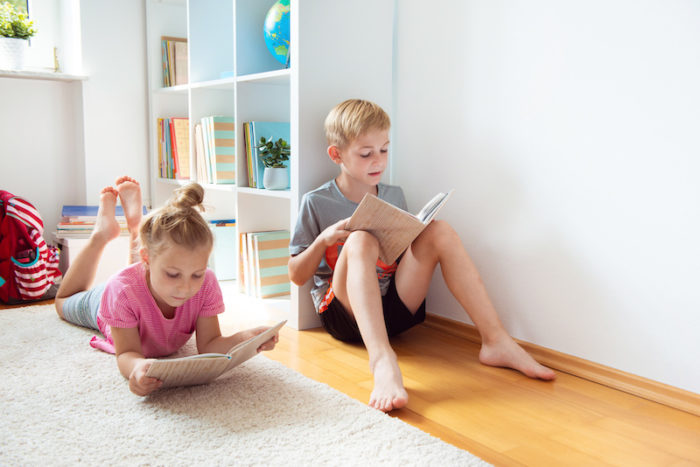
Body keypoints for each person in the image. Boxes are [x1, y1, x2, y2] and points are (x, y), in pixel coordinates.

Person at [288, 99, 556, 412]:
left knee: (440, 230)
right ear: (337, 154)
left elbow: (400, 256)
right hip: (345, 316)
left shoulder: (393, 195)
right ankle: (382, 361)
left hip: (393, 306)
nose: (378, 160)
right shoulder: (316, 201)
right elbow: (296, 275)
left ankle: (496, 341)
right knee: (360, 239)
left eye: (384, 150)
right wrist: (323, 239)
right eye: (366, 153)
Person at [55, 176, 278, 396]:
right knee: (62, 302)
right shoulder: (120, 292)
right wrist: (136, 368)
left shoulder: (206, 283)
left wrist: (247, 338)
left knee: (155, 275)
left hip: (142, 279)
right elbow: (128, 353)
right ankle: (101, 234)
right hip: (109, 298)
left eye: (196, 274)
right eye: (173, 275)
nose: (186, 288)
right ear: (147, 259)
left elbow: (210, 345)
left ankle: (136, 227)